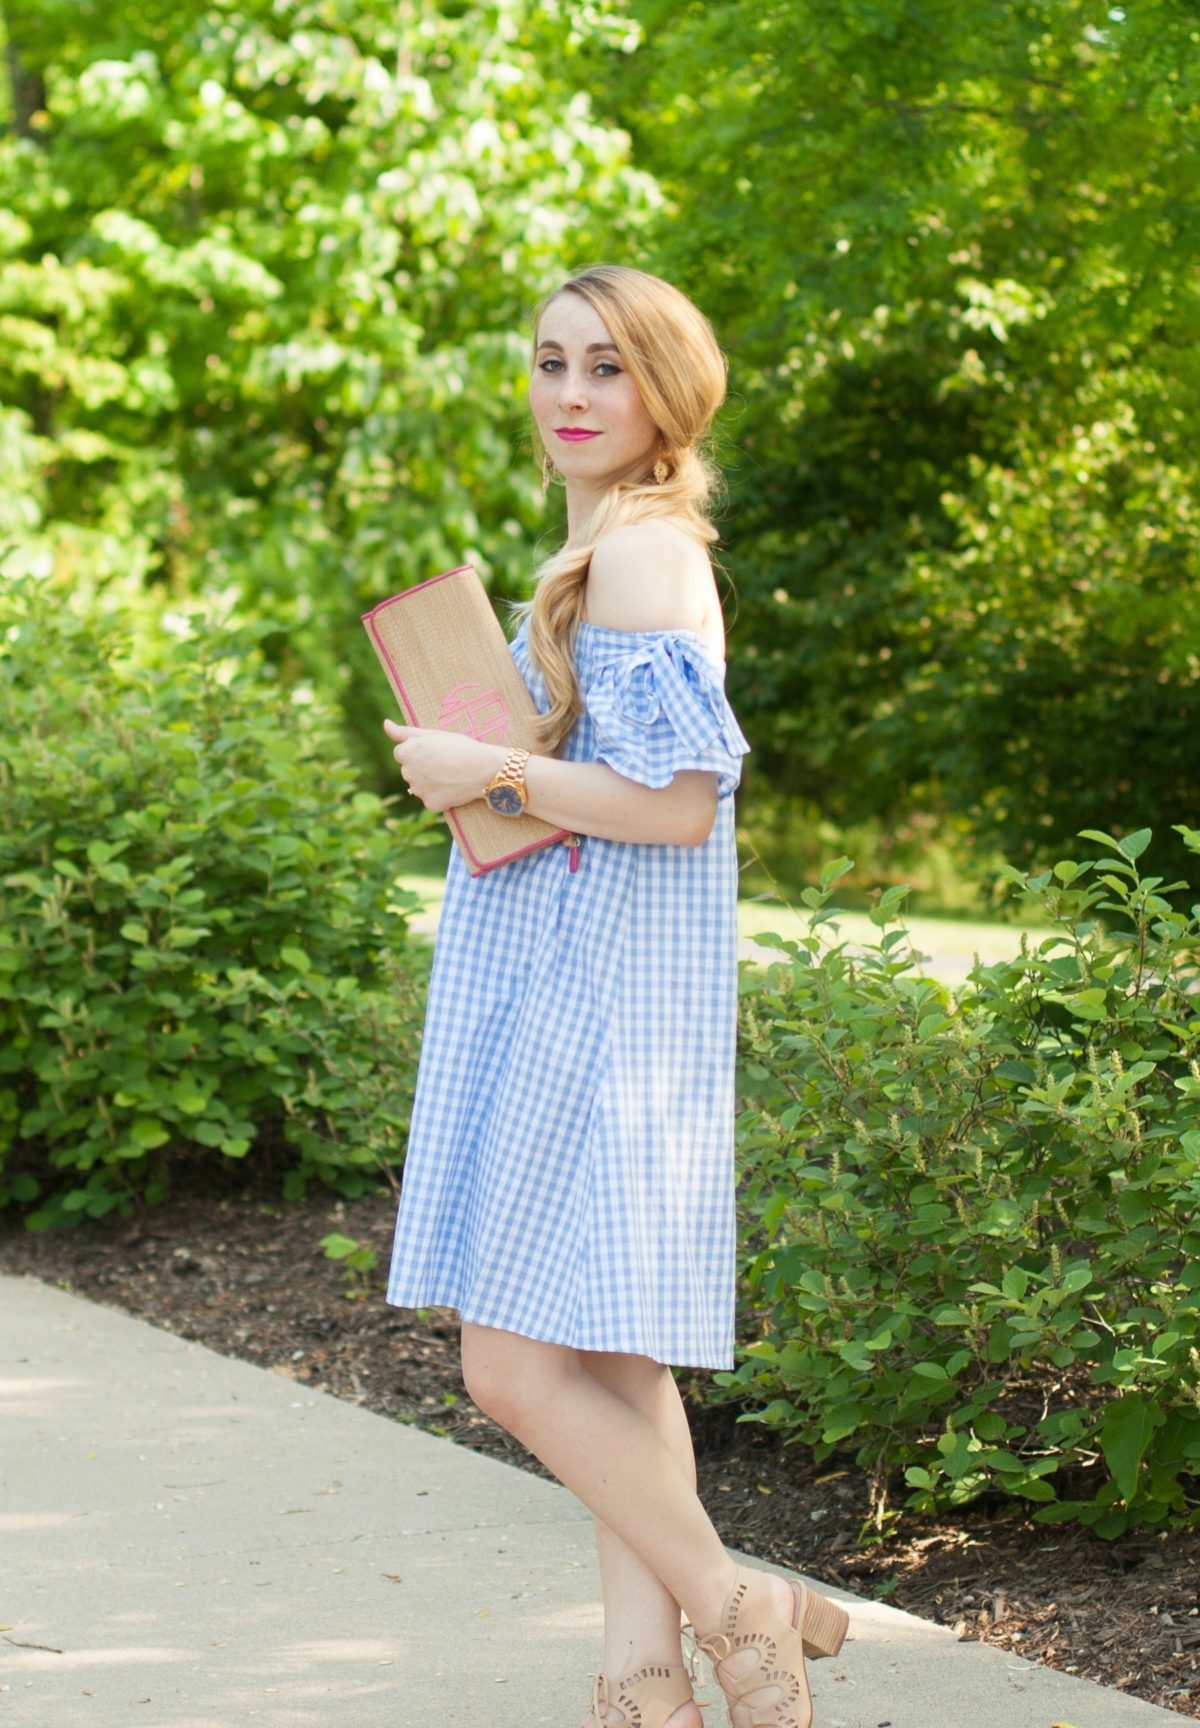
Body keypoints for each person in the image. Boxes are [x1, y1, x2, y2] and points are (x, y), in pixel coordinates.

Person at [381, 264, 849, 1728]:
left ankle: (733, 1606)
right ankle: (645, 1684)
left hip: (598, 1001)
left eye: (606, 369)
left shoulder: (644, 557)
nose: (571, 395)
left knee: (510, 1367)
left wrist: (489, 771)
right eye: (550, 363)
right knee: (612, 1356)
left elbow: (676, 805)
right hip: (589, 981)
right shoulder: (603, 552)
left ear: (665, 394)